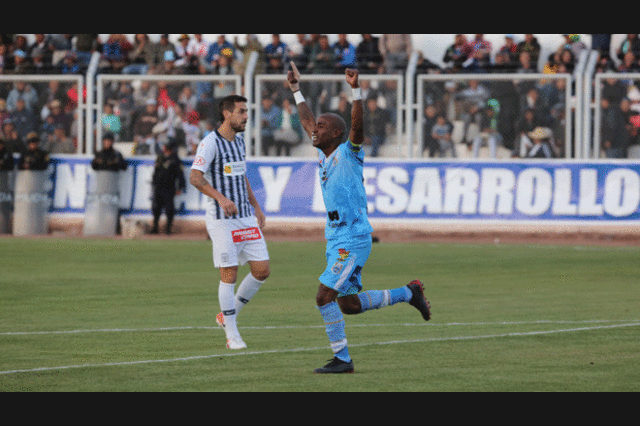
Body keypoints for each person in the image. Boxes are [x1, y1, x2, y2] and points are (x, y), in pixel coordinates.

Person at [286, 62, 431, 374]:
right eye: (316, 127)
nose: (315, 129)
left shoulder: (349, 154)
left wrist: (355, 90)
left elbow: (358, 127)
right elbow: (307, 120)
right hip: (336, 238)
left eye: (322, 127)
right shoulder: (324, 156)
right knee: (348, 305)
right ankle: (409, 292)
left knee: (324, 296)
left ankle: (343, 360)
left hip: (352, 239)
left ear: (337, 133)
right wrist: (296, 89)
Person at [189, 94, 270, 350]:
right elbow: (195, 177)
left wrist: (255, 205)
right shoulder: (210, 143)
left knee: (262, 270)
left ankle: (227, 315)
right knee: (229, 273)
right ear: (227, 114)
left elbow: (241, 175)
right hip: (222, 220)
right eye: (242, 111)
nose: (246, 116)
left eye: (246, 111)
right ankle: (232, 334)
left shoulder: (240, 141)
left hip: (245, 216)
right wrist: (221, 198)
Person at [150, 141, 185, 235]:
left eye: (165, 146)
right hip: (158, 186)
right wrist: (153, 183)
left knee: (169, 208)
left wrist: (180, 187)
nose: (163, 147)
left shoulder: (175, 159)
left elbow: (180, 174)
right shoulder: (160, 157)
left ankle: (168, 228)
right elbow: (156, 172)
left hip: (169, 187)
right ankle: (155, 227)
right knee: (156, 207)